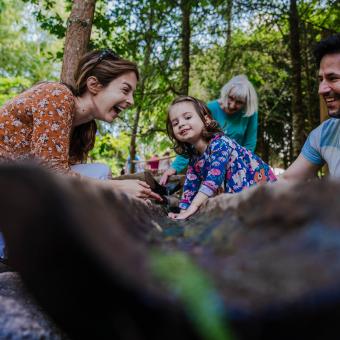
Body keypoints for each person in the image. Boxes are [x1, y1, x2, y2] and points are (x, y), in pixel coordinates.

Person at [0, 49, 162, 201]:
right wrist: (118, 186)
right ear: (94, 85)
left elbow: (66, 177)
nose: (131, 101)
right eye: (125, 90)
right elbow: (49, 172)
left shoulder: (85, 128)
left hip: (22, 184)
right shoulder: (57, 96)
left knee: (100, 171)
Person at [166, 96, 276, 220]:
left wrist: (192, 208)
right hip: (243, 196)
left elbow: (214, 178)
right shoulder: (194, 157)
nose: (181, 124)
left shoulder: (220, 143)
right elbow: (190, 185)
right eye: (175, 123)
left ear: (206, 119)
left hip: (264, 188)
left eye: (187, 117)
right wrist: (183, 212)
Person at [160, 74, 258, 185]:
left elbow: (250, 144)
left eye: (239, 102)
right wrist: (174, 167)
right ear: (226, 93)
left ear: (246, 103)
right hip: (211, 166)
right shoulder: (210, 108)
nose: (232, 105)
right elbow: (192, 139)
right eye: (230, 98)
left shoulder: (249, 114)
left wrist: (240, 167)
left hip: (237, 167)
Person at [282, 33, 340, 181]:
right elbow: (285, 181)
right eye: (321, 79)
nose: (321, 90)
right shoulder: (323, 135)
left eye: (333, 78)